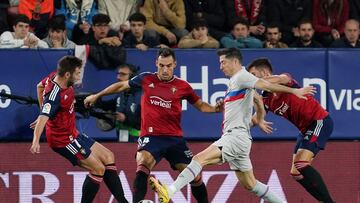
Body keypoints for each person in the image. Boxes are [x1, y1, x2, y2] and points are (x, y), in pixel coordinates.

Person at [148, 48, 315, 203]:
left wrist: (294, 91)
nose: (220, 66)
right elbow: (258, 99)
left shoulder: (242, 76)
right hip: (240, 139)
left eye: (223, 62)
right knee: (251, 185)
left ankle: (169, 192)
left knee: (199, 159)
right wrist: (259, 119)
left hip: (235, 137)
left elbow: (266, 85)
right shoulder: (237, 81)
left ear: (235, 62)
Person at [84, 48, 222, 203]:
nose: (165, 70)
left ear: (174, 64)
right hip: (151, 136)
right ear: (156, 63)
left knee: (195, 176)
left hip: (175, 138)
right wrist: (97, 96)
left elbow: (202, 106)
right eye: (161, 65)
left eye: (168, 66)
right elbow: (121, 86)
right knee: (144, 160)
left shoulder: (183, 86)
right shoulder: (146, 79)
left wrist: (216, 108)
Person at [29, 56, 128, 203]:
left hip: (72, 133)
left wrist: (43, 109)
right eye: (77, 73)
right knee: (98, 170)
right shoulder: (54, 95)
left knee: (109, 156)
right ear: (67, 74)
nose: (79, 76)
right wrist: (36, 140)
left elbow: (39, 86)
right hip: (62, 140)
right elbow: (44, 116)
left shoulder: (54, 76)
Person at [247, 58, 335, 203]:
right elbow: (256, 119)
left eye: (253, 74)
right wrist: (238, 127)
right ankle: (323, 200)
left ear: (264, 72)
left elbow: (281, 78)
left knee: (301, 164)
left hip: (319, 121)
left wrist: (254, 82)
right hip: (304, 130)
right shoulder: (266, 99)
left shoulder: (285, 80)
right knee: (295, 173)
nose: (251, 79)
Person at [97, 63, 142, 142]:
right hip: (121, 136)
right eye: (118, 74)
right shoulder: (121, 93)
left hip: (137, 139)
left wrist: (125, 119)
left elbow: (146, 121)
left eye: (122, 74)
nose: (118, 77)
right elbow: (108, 106)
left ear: (132, 77)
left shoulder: (141, 95)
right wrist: (95, 99)